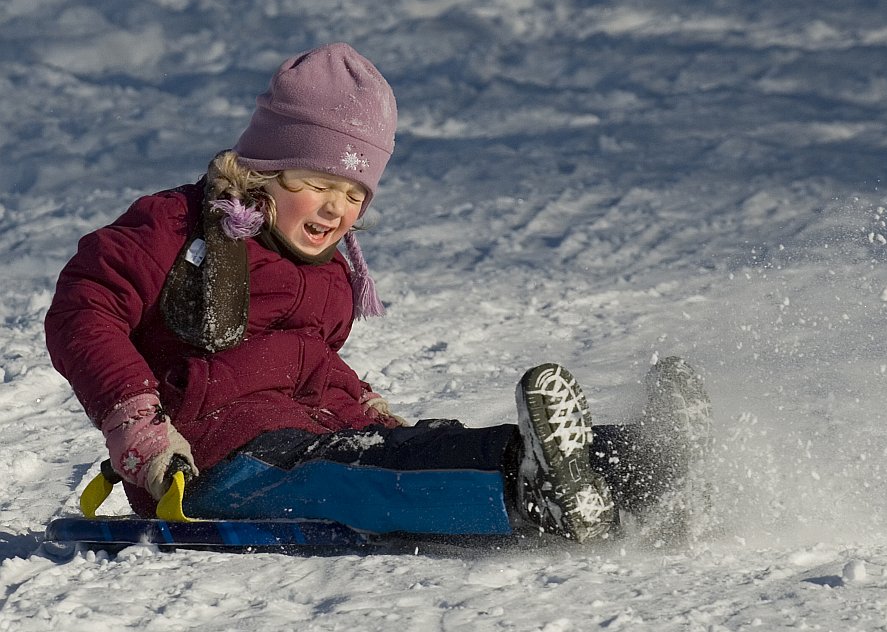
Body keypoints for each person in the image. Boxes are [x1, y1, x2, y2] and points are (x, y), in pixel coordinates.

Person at [46, 43, 711, 543]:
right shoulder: (182, 225)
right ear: (266, 168)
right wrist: (137, 423)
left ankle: (635, 465)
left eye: (355, 194)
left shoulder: (329, 271)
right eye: (319, 182)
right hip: (224, 466)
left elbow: (305, 363)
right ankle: (529, 493)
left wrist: (361, 402)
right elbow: (85, 306)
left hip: (314, 437)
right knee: (361, 483)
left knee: (419, 450)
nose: (337, 209)